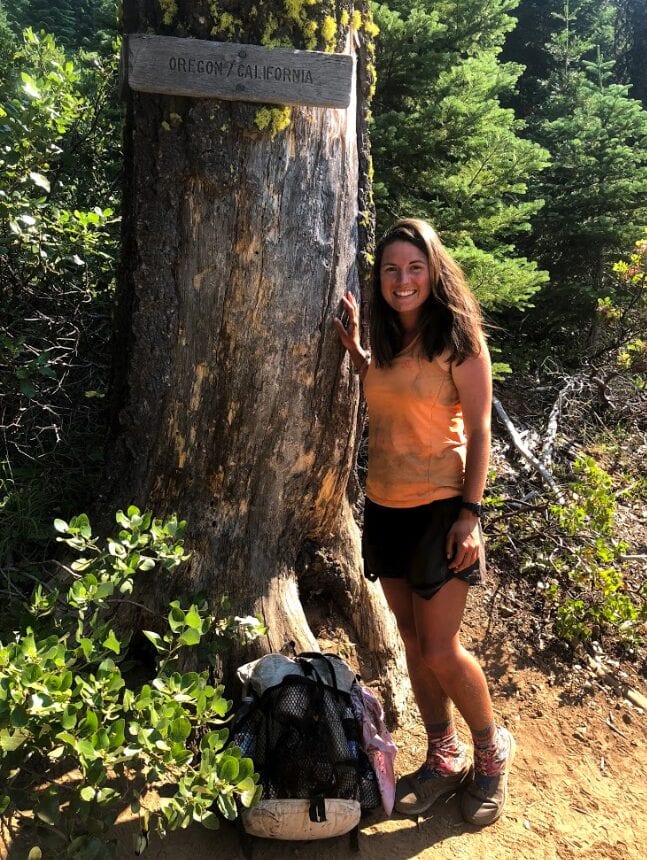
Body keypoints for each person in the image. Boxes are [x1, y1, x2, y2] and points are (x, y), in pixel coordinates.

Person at [334, 218, 515, 827]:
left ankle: (490, 756)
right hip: (385, 506)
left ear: (433, 271)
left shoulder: (458, 340)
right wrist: (359, 350)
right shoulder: (387, 340)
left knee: (440, 647)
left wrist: (470, 515)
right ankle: (443, 754)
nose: (402, 280)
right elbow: (386, 389)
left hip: (441, 508)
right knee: (412, 642)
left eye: (414, 267)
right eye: (391, 269)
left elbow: (482, 427)